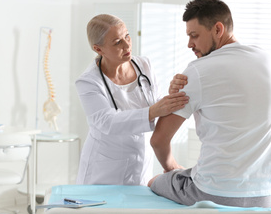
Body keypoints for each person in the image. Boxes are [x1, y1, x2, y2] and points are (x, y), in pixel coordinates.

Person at [148, 0, 271, 208]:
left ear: (218, 29)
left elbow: (158, 140)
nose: (189, 44)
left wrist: (171, 166)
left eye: (194, 35)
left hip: (214, 193)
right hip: (267, 194)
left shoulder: (197, 70)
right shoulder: (267, 60)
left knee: (154, 181)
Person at [75, 14, 189, 186]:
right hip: (104, 171)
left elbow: (157, 104)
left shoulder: (144, 66)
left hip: (140, 164)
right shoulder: (88, 82)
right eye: (117, 42)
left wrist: (173, 93)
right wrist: (153, 111)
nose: (127, 44)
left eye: (127, 36)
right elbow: (107, 122)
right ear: (98, 49)